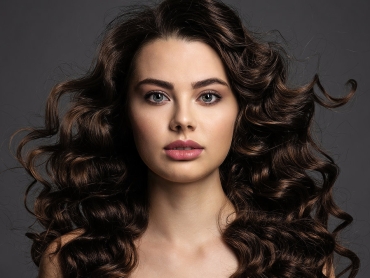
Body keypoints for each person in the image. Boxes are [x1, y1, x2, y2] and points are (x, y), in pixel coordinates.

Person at [15, 0, 360, 277]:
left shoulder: (299, 262)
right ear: (124, 113)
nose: (182, 120)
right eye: (156, 96)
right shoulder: (72, 261)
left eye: (208, 96)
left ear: (241, 111)